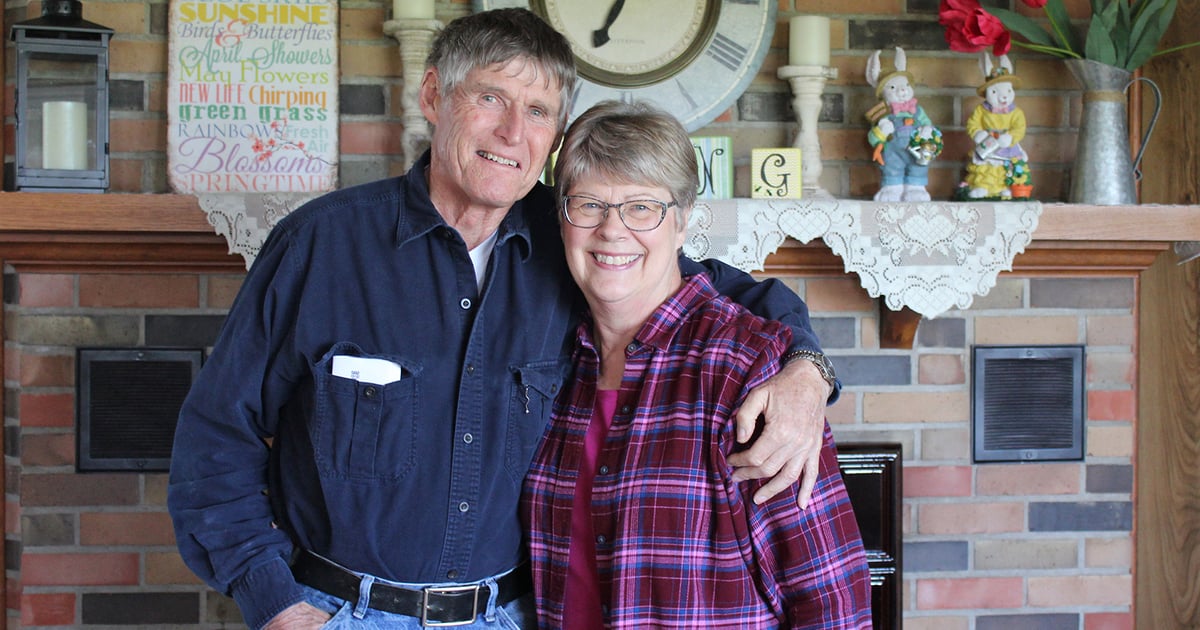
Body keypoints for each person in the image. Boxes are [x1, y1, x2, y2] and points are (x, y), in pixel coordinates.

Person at [168, 9, 837, 630]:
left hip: (511, 616)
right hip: (338, 612)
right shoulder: (322, 245)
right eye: (490, 98)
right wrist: (275, 602)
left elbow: (735, 298)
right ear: (433, 97)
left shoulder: (579, 243)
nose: (513, 132)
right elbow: (214, 441)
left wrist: (807, 373)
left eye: (539, 110)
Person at [522, 100, 872, 628]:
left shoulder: (749, 371)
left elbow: (832, 602)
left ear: (682, 223)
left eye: (642, 208)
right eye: (590, 204)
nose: (612, 230)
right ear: (563, 219)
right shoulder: (554, 365)